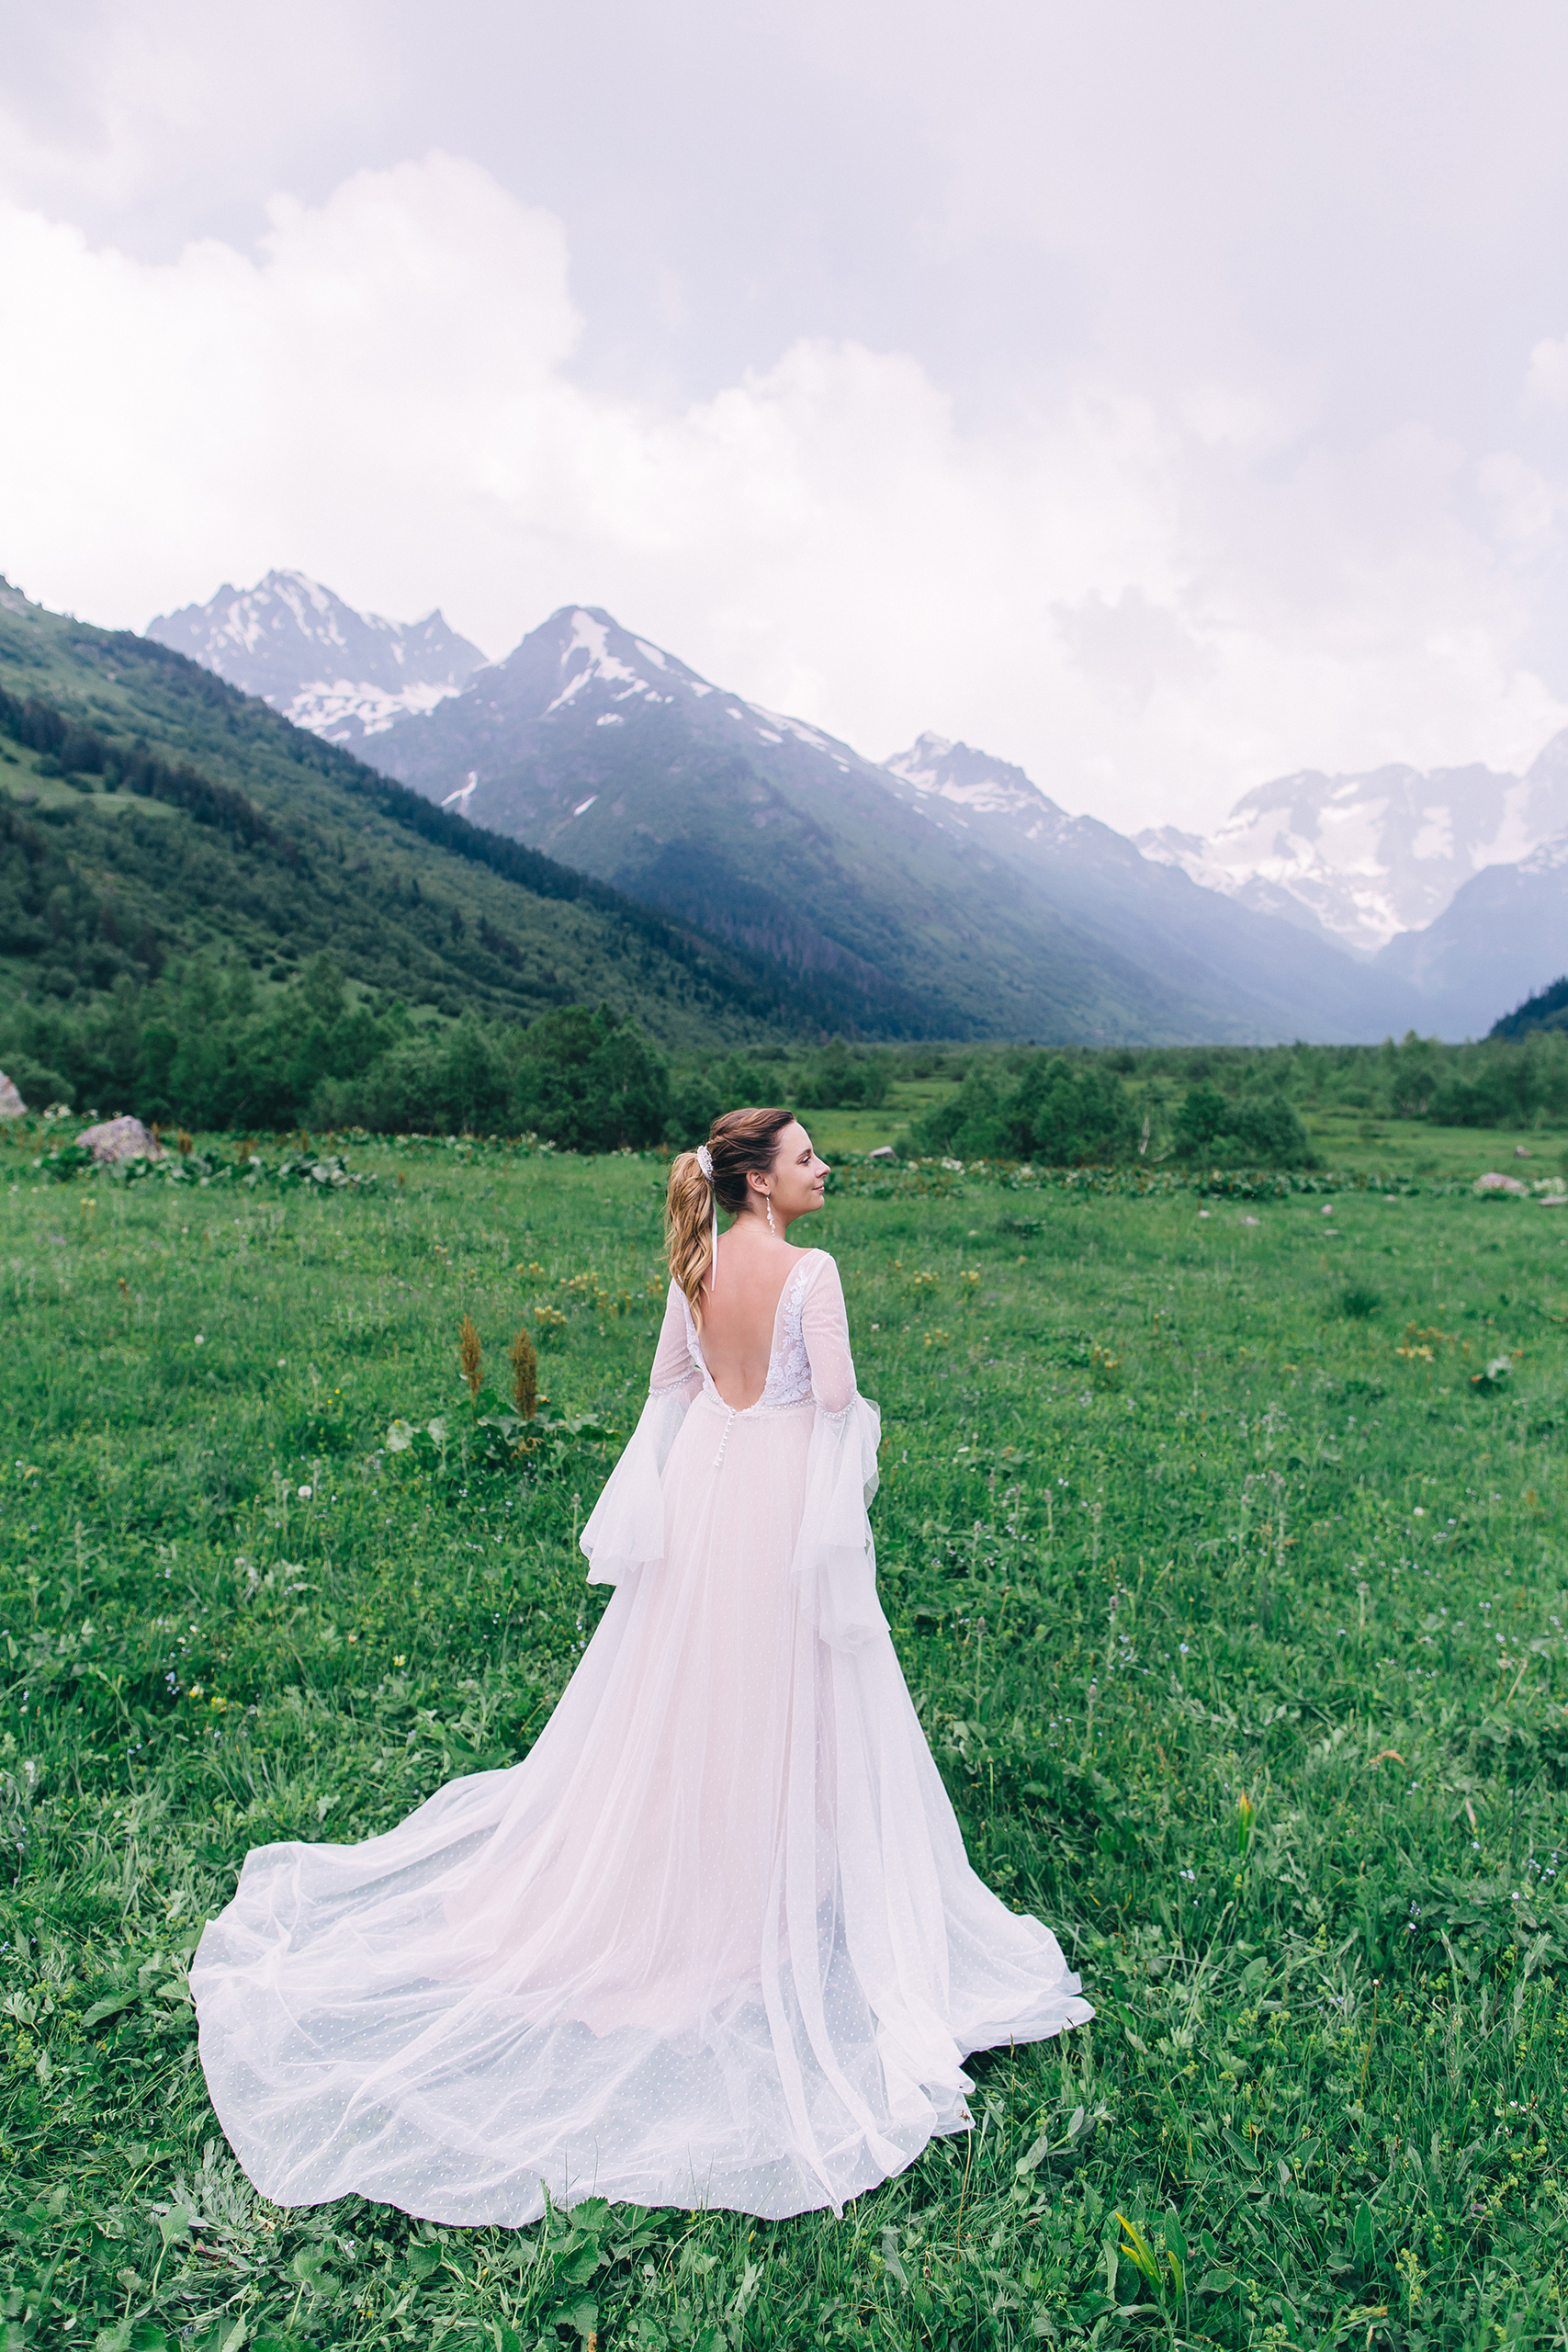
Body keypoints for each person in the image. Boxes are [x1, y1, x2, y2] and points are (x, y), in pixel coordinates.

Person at [191, 1106, 1089, 2227]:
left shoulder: (697, 1262)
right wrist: (842, 1485)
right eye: (807, 1155)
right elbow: (840, 1406)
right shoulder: (814, 1274)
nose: (824, 1168)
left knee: (693, 1688)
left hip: (712, 1485)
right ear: (760, 1183)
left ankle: (721, 1858)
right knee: (786, 1684)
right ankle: (755, 1880)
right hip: (776, 1489)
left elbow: (672, 1387)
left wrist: (662, 1490)